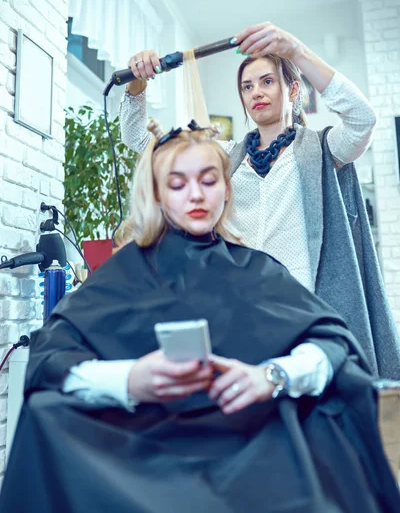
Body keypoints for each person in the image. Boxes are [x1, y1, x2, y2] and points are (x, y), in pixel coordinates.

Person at [1, 122, 399, 513]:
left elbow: (331, 347)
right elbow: (51, 359)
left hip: (247, 443)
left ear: (227, 190)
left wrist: (270, 377)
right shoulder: (122, 276)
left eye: (209, 181)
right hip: (141, 448)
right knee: (45, 413)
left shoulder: (259, 271)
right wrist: (131, 380)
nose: (196, 195)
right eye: (177, 185)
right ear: (157, 195)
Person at [118, 21, 400, 381]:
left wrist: (296, 51)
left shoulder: (324, 150)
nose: (256, 92)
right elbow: (138, 140)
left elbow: (363, 119)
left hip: (307, 315)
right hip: (241, 315)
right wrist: (137, 83)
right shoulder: (224, 159)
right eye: (247, 86)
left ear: (294, 88)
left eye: (267, 81)